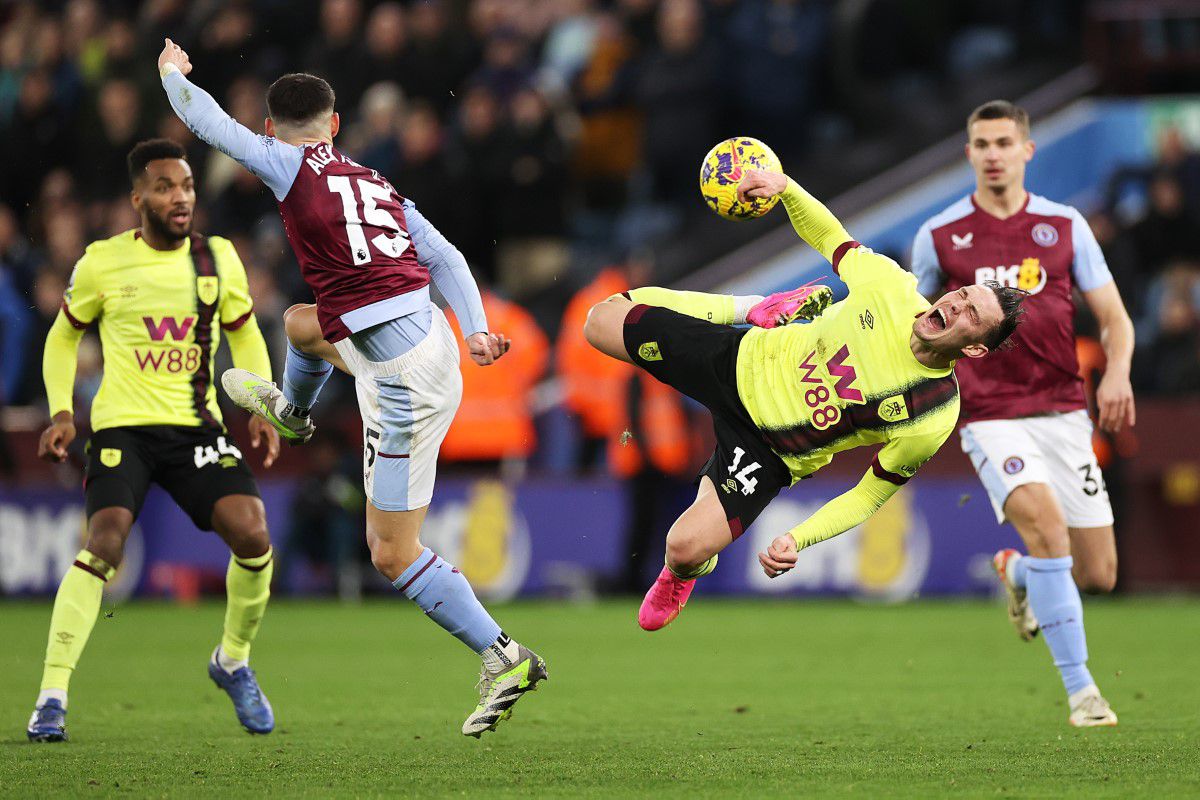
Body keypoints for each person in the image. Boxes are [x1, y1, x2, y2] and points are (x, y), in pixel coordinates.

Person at [155, 39, 546, 738]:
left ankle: (504, 655)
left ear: (274, 130)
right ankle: (294, 410)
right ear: (336, 125)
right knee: (302, 323)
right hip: (430, 341)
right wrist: (479, 328)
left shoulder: (281, 162)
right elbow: (447, 256)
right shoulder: (376, 182)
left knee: (392, 551)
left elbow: (207, 122)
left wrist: (170, 74)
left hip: (401, 386)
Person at [583, 168, 1026, 632]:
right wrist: (787, 189)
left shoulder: (934, 413)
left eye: (971, 312)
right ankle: (749, 307)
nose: (955, 304)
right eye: (961, 294)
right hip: (739, 361)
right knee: (600, 321)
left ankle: (685, 573)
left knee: (684, 547)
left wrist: (800, 537)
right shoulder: (892, 289)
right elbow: (831, 236)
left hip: (767, 454)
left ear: (975, 347)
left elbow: (870, 495)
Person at [27, 139, 280, 742]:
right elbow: (63, 338)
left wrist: (263, 403)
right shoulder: (102, 263)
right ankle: (52, 695)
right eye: (166, 187)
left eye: (187, 186)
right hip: (123, 429)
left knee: (253, 534)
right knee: (105, 541)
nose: (181, 197)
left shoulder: (218, 259)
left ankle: (232, 661)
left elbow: (244, 335)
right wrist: (63, 411)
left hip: (196, 426)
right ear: (138, 198)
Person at [910, 100, 1136, 728]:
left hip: (1064, 412)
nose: (993, 154)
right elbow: (916, 321)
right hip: (990, 412)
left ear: (1026, 151)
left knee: (1100, 574)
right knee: (1046, 528)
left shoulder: (1065, 227)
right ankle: (1084, 693)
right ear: (969, 154)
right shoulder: (940, 235)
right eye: (981, 143)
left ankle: (1020, 573)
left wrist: (1116, 372)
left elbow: (1115, 318)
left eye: (1004, 142)